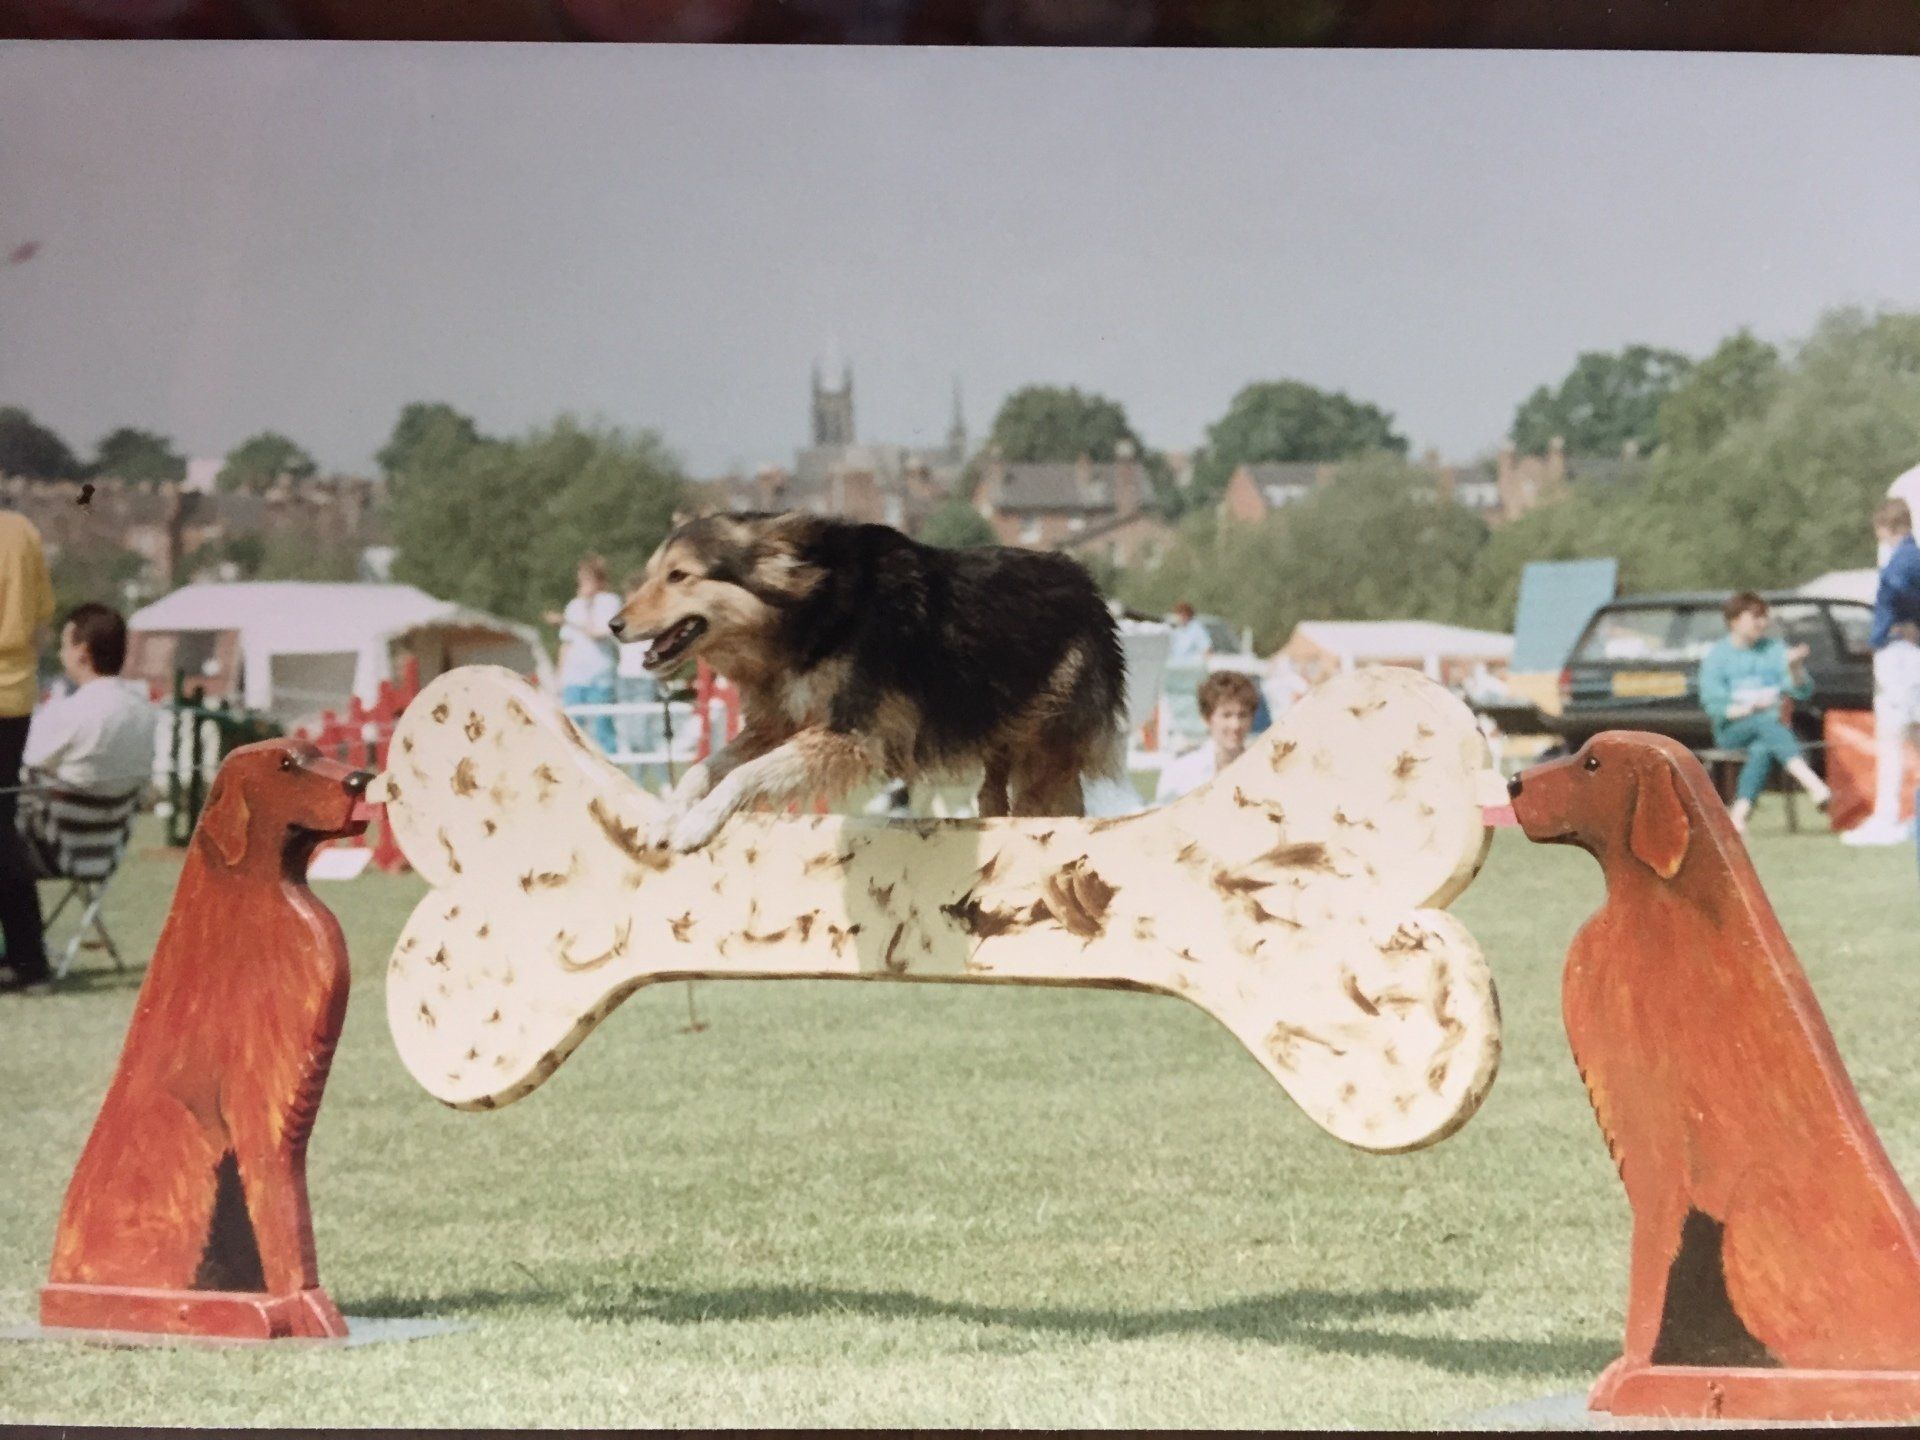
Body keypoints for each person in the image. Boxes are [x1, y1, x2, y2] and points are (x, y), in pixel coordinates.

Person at [1696, 591, 1831, 835]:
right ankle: (1812, 782)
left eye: (1764, 617)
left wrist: (1795, 667)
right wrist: (1748, 708)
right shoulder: (1718, 656)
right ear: (1734, 621)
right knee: (1765, 724)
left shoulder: (1773, 649)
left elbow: (1802, 691)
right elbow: (1714, 704)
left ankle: (1739, 815)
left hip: (1771, 730)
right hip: (1732, 730)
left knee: (1763, 747)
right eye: (1755, 617)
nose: (1762, 623)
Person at [1844, 498, 1920, 847]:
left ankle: (1886, 816)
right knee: (1911, 732)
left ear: (1884, 527)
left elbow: (1898, 592)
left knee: (1892, 734)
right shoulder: (1911, 557)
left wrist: (1910, 623)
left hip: (1898, 652)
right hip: (1906, 652)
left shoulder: (1900, 562)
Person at [22, 604, 158, 797]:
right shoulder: (145, 712)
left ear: (81, 653)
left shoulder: (70, 711)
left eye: (64, 646)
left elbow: (27, 760)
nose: (61, 654)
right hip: (121, 815)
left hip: (63, 815)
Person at [0, 509, 54, 991]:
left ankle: (27, 958)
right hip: (15, 696)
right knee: (3, 826)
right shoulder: (21, 531)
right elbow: (41, 616)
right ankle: (26, 955)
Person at [546, 555, 621, 754]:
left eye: (587, 579)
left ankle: (608, 764)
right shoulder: (574, 606)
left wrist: (570, 619)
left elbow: (598, 633)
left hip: (600, 675)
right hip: (575, 676)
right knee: (572, 727)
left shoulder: (610, 602)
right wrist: (559, 677)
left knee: (603, 728)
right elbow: (566, 644)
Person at [1155, 669, 1259, 805]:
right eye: (1226, 715)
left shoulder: (1262, 770)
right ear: (1207, 718)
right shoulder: (1179, 772)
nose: (1236, 725)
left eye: (1242, 715)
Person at [614, 568, 667, 787]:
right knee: (632, 736)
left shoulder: (653, 619)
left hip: (644, 678)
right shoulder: (622, 619)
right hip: (625, 677)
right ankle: (637, 783)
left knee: (643, 735)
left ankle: (663, 782)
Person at [1166, 601, 1211, 666]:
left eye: (1183, 614)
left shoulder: (1197, 628)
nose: (1180, 617)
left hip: (1192, 665)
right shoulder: (1177, 630)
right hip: (1176, 665)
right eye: (1179, 614)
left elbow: (1206, 648)